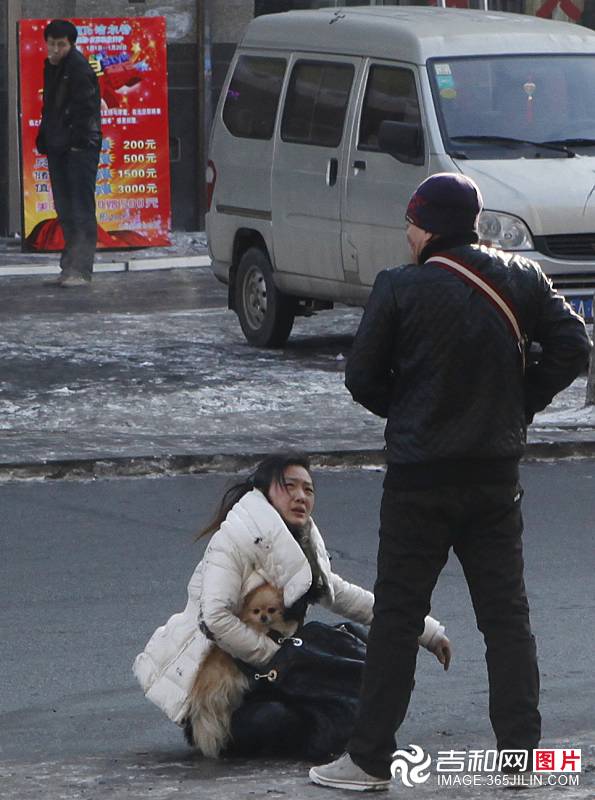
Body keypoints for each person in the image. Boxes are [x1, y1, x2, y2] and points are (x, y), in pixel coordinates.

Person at [309, 173, 592, 791]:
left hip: (419, 481)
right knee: (506, 619)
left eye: (411, 222)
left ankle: (367, 760)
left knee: (397, 620)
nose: (406, 233)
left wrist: (409, 412)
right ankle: (522, 760)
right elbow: (573, 345)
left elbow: (361, 377)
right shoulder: (521, 277)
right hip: (494, 477)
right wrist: (518, 403)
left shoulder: (400, 287)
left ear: (429, 225)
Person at [133, 451, 451, 759]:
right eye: (289, 486)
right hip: (221, 700)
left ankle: (364, 739)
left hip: (266, 679)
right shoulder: (234, 538)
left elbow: (341, 595)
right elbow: (214, 618)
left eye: (308, 489)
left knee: (346, 642)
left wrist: (427, 631)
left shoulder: (301, 540)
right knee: (279, 718)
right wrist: (279, 659)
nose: (301, 496)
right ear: (264, 492)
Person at [36, 19, 101, 287]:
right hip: (58, 145)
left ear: (70, 44)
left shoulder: (78, 68)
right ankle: (68, 267)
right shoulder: (52, 68)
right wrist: (45, 137)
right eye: (51, 43)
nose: (55, 49)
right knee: (64, 207)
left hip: (79, 147)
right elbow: (50, 107)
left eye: (60, 44)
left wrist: (78, 142)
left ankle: (82, 270)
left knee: (80, 207)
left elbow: (86, 109)